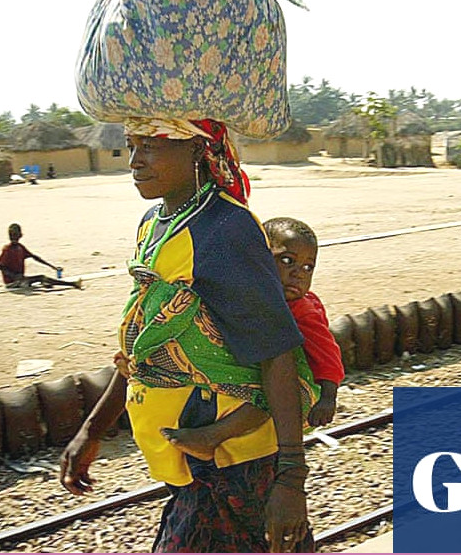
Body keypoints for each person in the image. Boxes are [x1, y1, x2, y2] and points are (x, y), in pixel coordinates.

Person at [59, 119, 316, 552]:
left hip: (236, 461)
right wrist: (93, 429)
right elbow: (146, 341)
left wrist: (291, 479)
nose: (135, 161)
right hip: (189, 461)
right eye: (132, 145)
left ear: (197, 149)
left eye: (152, 146)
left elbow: (277, 351)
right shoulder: (154, 222)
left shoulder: (225, 228)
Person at [157, 216, 345, 461]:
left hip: (294, 385)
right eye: (287, 261)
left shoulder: (301, 309)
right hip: (255, 372)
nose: (298, 274)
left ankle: (211, 437)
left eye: (308, 267)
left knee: (264, 400)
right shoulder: (253, 295)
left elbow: (327, 353)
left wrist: (328, 398)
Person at [0, 223, 81, 290]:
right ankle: (72, 284)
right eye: (13, 236)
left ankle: (56, 284)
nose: (14, 238)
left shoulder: (20, 247)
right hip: (12, 283)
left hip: (21, 279)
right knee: (42, 278)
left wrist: (53, 267)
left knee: (41, 280)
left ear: (19, 236)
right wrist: (13, 275)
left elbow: (35, 257)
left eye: (15, 235)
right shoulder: (7, 249)